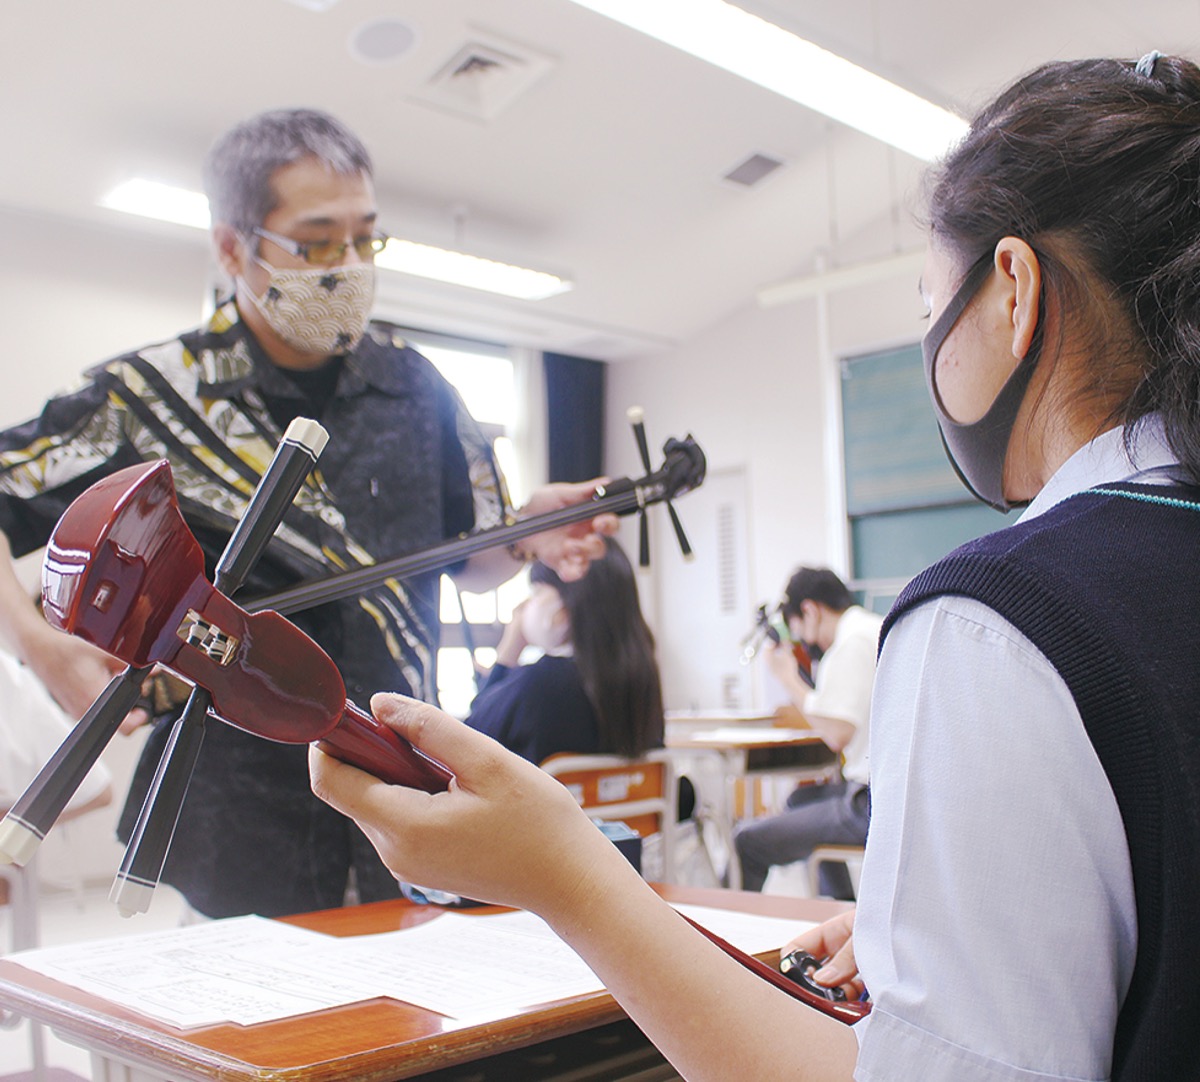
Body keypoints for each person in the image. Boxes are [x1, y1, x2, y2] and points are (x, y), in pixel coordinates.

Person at [311, 52, 1200, 1080]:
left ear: (1013, 290)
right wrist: (947, 939)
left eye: (928, 306)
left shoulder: (995, 624)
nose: (930, 344)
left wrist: (566, 877)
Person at [0, 107, 612, 920]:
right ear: (232, 247)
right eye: (318, 242)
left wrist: (527, 532)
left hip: (404, 794)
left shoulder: (418, 389)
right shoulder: (149, 398)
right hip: (231, 823)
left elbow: (468, 561)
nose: (349, 265)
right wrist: (38, 645)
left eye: (365, 238)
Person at [733, 568, 880, 895]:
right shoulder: (871, 628)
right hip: (880, 793)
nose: (809, 645)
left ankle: (733, 927)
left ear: (810, 610)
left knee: (747, 841)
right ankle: (840, 902)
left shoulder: (851, 643)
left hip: (870, 804)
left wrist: (788, 678)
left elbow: (837, 734)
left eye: (802, 633)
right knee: (801, 800)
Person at [465, 537, 664, 765]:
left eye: (537, 592)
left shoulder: (538, 682)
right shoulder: (643, 682)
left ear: (567, 605)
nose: (523, 607)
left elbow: (468, 740)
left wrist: (508, 653)